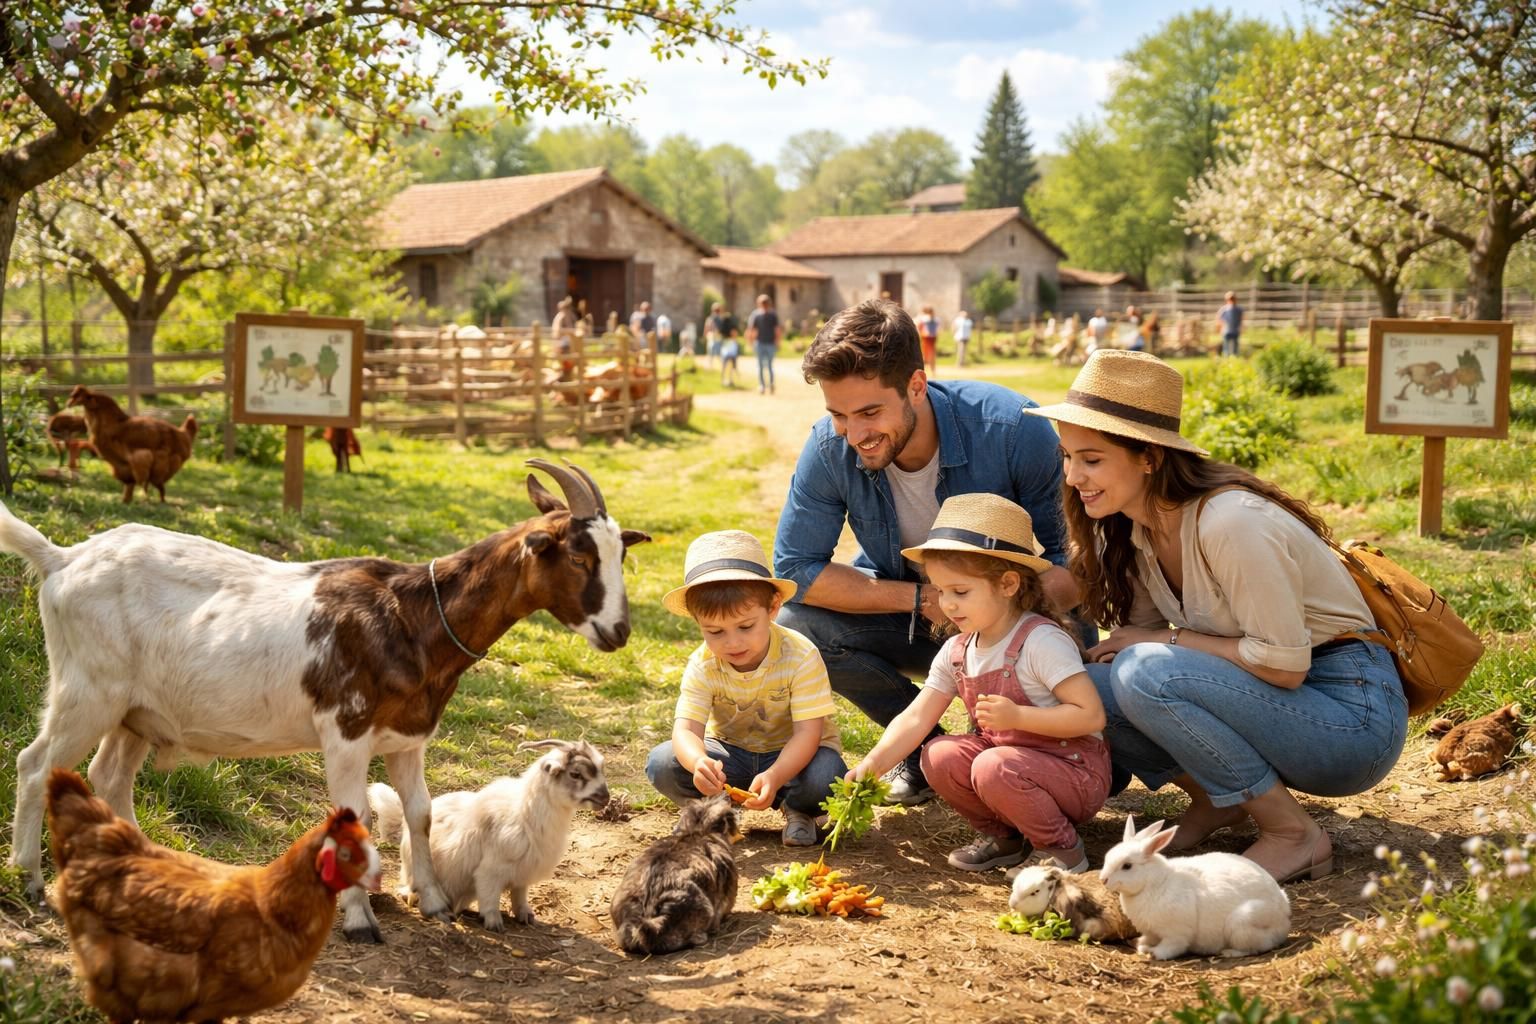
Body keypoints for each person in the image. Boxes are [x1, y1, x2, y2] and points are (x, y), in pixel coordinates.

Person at [1025, 350, 1407, 883]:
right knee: (1095, 686)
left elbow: (1285, 667)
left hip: (1349, 717)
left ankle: (1294, 834)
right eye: (1066, 457)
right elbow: (1143, 643)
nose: (1073, 476)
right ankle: (1218, 799)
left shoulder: (1230, 522)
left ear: (1149, 458)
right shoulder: (1137, 530)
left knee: (1140, 668)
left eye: (1091, 459)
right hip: (1277, 700)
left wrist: (1171, 639)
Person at [773, 299, 1082, 806]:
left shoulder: (1014, 428)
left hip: (1030, 619)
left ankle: (1017, 756)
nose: (855, 435)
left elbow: (1079, 561)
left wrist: (1000, 619)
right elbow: (795, 570)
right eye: (838, 415)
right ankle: (928, 751)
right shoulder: (829, 449)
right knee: (796, 624)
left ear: (916, 385)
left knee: (1101, 777)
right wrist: (925, 599)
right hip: (922, 620)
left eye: (870, 412)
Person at [847, 493, 1110, 874]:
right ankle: (1004, 837)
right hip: (1007, 769)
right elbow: (917, 718)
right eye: (940, 591)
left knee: (992, 764)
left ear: (1007, 584)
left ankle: (1061, 850)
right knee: (937, 754)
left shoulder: (1041, 641)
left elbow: (1090, 717)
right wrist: (872, 764)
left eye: (961, 592)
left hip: (1072, 773)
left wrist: (1019, 716)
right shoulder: (958, 649)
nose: (947, 604)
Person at [646, 530, 848, 847]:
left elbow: (809, 733)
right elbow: (685, 730)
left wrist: (777, 775)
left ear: (772, 609)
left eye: (745, 627)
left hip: (793, 757)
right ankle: (716, 809)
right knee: (663, 763)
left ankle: (800, 811)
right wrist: (699, 762)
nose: (733, 642)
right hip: (731, 757)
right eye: (715, 631)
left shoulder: (800, 655)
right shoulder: (703, 663)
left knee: (828, 774)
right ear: (698, 624)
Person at [747, 294, 782, 395]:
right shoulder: (756, 315)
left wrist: (778, 342)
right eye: (762, 303)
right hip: (759, 343)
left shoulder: (773, 315)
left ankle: (771, 384)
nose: (764, 305)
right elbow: (752, 329)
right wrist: (750, 341)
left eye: (765, 303)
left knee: (770, 366)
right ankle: (762, 385)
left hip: (770, 343)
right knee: (760, 366)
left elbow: (777, 330)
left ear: (768, 304)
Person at [1217, 291, 1243, 357]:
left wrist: (1240, 328)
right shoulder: (1224, 309)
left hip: (1235, 330)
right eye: (1230, 299)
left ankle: (1235, 360)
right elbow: (1219, 319)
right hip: (1226, 331)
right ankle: (1226, 360)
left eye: (1233, 299)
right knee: (1226, 348)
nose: (1231, 300)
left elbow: (1241, 319)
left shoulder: (1238, 309)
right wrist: (1221, 328)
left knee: (1235, 348)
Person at [917, 305, 940, 376]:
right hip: (927, 337)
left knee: (928, 355)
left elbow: (919, 326)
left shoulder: (924, 318)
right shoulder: (928, 318)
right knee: (927, 355)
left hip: (928, 338)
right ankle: (929, 371)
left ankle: (930, 371)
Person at [705, 302, 729, 370]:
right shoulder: (717, 318)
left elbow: (707, 327)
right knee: (715, 351)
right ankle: (714, 364)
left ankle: (715, 365)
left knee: (715, 351)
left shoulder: (714, 318)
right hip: (715, 336)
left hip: (715, 337)